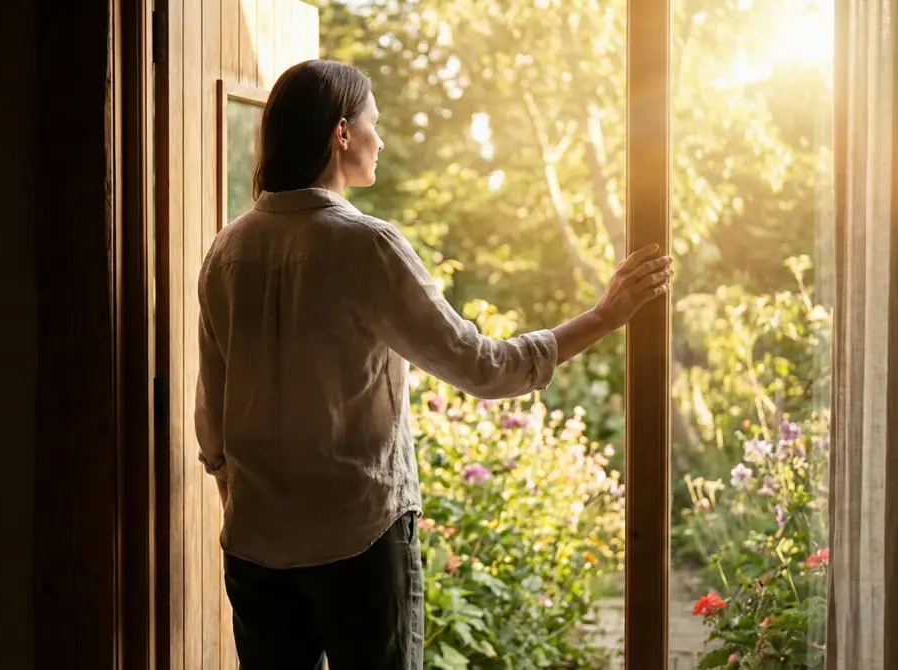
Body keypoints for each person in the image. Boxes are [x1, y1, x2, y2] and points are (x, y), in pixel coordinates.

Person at [194, 59, 672, 670]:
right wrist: (605, 316)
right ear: (341, 134)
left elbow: (212, 411)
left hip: (255, 547)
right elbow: (483, 367)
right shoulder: (366, 246)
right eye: (374, 123)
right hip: (358, 543)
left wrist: (243, 502)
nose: (381, 139)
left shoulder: (226, 249)